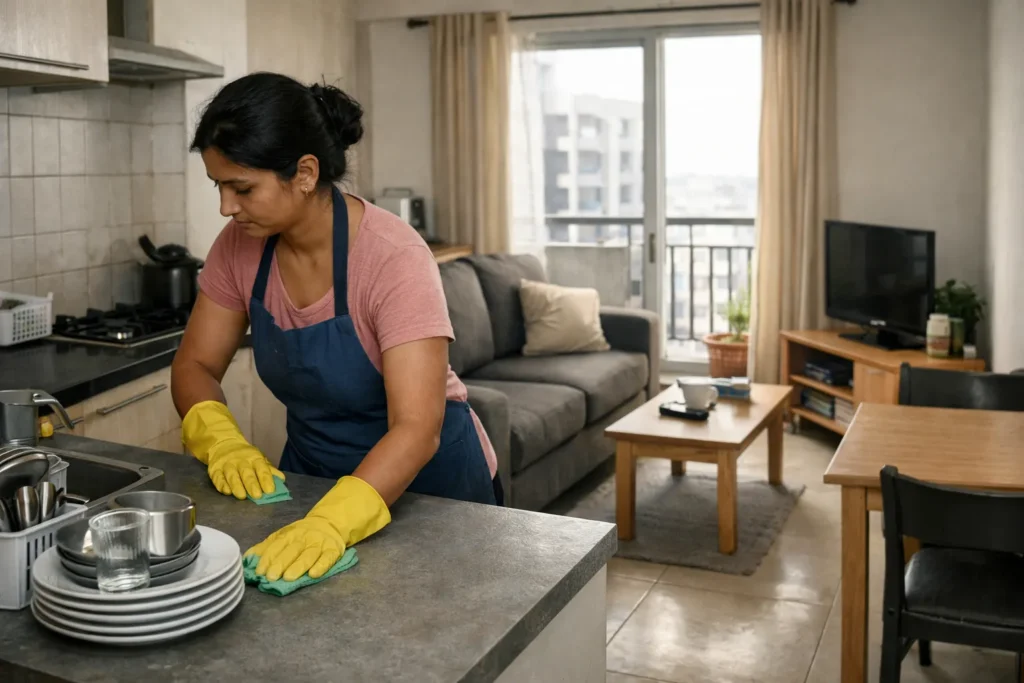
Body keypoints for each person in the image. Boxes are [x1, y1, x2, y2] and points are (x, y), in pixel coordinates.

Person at [172, 72, 501, 584]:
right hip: (311, 481)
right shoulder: (237, 247)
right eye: (219, 186)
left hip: (428, 491)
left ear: (305, 173)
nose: (226, 207)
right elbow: (195, 364)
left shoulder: (392, 257)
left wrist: (331, 523)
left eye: (242, 188)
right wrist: (221, 442)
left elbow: (417, 428)